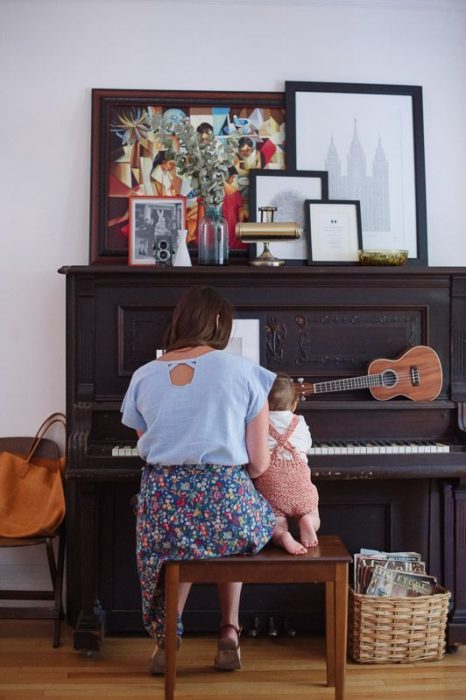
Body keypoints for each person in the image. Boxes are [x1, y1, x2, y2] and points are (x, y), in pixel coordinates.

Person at [121, 285, 276, 675]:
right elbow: (258, 464)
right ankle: (229, 632)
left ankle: (165, 638)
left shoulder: (143, 376)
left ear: (180, 321)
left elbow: (151, 444)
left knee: (183, 538)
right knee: (244, 518)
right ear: (221, 323)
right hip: (227, 515)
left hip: (163, 514)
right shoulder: (244, 372)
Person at [253, 373, 320, 555]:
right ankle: (306, 520)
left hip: (271, 487)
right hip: (300, 485)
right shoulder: (299, 421)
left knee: (275, 523)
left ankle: (282, 536)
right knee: (313, 514)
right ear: (294, 404)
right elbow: (306, 445)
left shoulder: (258, 423)